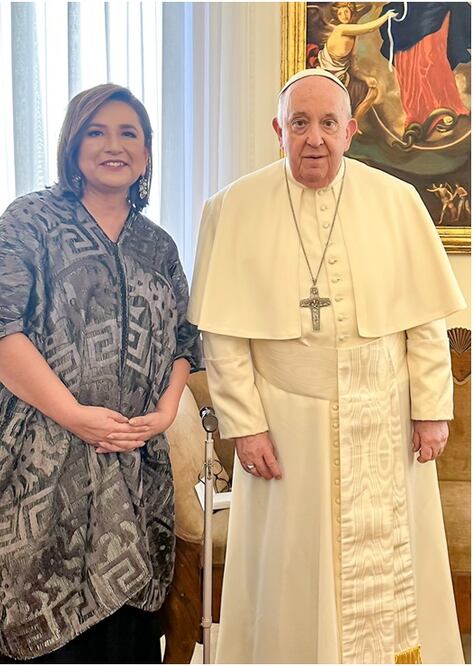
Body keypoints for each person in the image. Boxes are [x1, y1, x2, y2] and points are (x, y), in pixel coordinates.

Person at [188, 68, 465, 663]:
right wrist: (246, 424)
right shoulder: (233, 207)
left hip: (387, 418)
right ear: (277, 131)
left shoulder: (396, 201)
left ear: (350, 129)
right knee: (294, 565)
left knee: (397, 571)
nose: (314, 137)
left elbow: (425, 324)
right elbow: (225, 335)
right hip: (289, 425)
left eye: (328, 123)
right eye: (300, 123)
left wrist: (432, 411)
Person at [0, 83, 200, 663]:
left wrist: (163, 412)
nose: (114, 145)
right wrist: (75, 416)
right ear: (71, 144)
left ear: (148, 152)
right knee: (32, 610)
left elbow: (185, 340)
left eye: (129, 133)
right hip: (36, 455)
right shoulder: (30, 220)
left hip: (130, 461)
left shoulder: (158, 247)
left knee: (126, 626)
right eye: (96, 131)